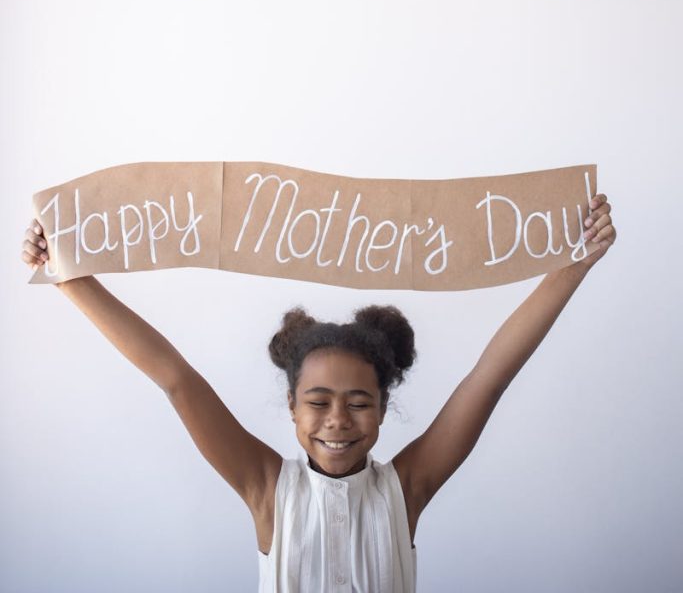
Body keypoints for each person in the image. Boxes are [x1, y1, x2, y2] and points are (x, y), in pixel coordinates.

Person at [21, 194, 617, 592]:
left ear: (383, 410)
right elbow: (177, 378)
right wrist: (68, 278)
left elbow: (489, 375)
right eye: (318, 401)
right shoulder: (267, 489)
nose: (338, 420)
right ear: (291, 407)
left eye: (359, 402)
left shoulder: (405, 489)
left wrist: (575, 264)